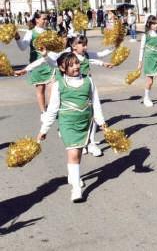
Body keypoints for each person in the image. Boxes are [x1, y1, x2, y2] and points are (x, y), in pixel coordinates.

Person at [37, 52, 106, 202]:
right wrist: (44, 130)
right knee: (73, 154)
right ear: (62, 68)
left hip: (85, 123)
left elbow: (95, 103)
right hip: (67, 124)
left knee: (78, 153)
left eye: (77, 63)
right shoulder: (59, 85)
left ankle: (73, 175)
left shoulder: (88, 81)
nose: (76, 66)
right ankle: (76, 189)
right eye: (71, 65)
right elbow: (52, 110)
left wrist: (102, 123)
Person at [14, 12, 55, 117]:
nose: (46, 21)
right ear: (37, 20)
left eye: (47, 19)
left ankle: (51, 110)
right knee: (40, 89)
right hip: (36, 64)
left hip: (49, 63)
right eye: (44, 19)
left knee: (53, 88)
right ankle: (43, 112)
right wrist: (17, 38)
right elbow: (23, 47)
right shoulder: (31, 32)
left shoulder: (50, 32)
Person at [137, 15, 157, 109]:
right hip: (149, 60)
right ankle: (146, 97)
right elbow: (142, 49)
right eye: (154, 24)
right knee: (150, 82)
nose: (156, 25)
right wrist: (140, 62)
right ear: (149, 24)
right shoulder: (145, 36)